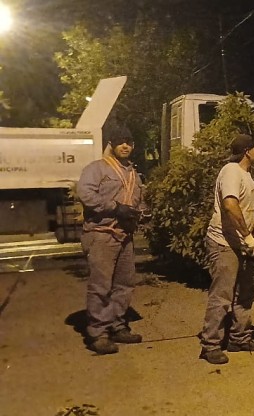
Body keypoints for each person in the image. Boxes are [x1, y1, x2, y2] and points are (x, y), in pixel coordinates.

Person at [199, 133, 254, 365]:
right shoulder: (231, 171)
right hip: (224, 242)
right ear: (248, 151)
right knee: (222, 295)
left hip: (239, 242)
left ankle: (239, 337)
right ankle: (210, 344)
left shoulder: (246, 175)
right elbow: (230, 205)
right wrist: (248, 236)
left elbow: (244, 208)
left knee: (245, 292)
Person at [76, 125, 145, 355]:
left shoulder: (133, 172)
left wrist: (142, 212)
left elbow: (136, 199)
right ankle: (98, 333)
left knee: (124, 284)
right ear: (111, 144)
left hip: (124, 235)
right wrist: (115, 208)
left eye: (129, 142)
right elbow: (86, 194)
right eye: (120, 141)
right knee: (101, 286)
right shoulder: (97, 168)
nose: (125, 145)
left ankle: (117, 325)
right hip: (102, 234)